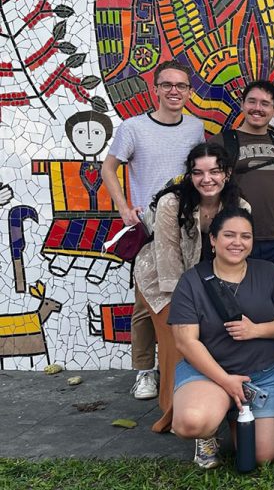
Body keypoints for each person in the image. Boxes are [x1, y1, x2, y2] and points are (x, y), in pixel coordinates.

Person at [102, 61, 205, 401]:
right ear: (156, 89)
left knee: (188, 295)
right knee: (146, 302)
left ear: (189, 92)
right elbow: (109, 167)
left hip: (187, 224)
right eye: (167, 85)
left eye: (181, 86)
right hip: (149, 226)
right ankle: (145, 371)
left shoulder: (195, 127)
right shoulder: (132, 128)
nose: (174, 91)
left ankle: (185, 364)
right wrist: (122, 205)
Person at [169, 207, 274, 469]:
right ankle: (210, 428)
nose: (238, 243)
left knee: (262, 456)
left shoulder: (268, 273)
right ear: (213, 240)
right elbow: (186, 341)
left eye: (246, 236)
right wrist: (227, 381)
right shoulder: (192, 281)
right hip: (210, 374)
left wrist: (256, 330)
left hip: (263, 376)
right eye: (229, 235)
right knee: (191, 422)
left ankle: (232, 411)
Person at [133, 143, 248, 434]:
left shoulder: (240, 207)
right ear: (190, 175)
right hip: (160, 281)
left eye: (214, 171)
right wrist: (189, 306)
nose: (206, 179)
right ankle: (172, 413)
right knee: (177, 342)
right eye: (198, 172)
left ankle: (210, 403)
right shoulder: (172, 203)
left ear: (227, 174)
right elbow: (168, 260)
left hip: (206, 283)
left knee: (212, 339)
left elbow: (237, 255)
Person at [209, 80, 274, 272]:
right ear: (242, 104)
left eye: (265, 104)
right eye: (252, 101)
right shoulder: (222, 142)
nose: (257, 108)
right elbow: (207, 191)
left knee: (270, 299)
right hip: (235, 240)